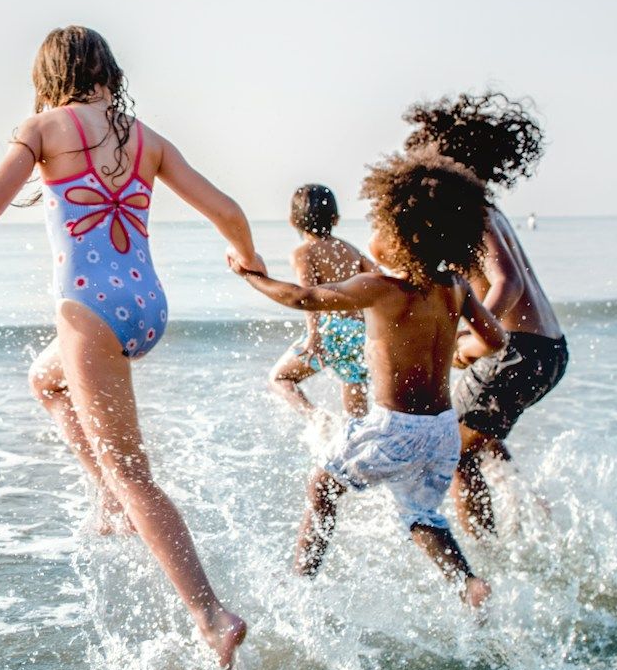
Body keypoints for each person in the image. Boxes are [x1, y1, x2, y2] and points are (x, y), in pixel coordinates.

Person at [0, 26, 252, 670]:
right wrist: (247, 256)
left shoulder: (43, 127)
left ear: (48, 75)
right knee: (47, 382)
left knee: (135, 476)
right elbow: (229, 209)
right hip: (146, 305)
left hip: (88, 311)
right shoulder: (144, 136)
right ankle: (106, 498)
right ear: (108, 70)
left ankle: (210, 614)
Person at [232, 151, 508, 610]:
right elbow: (495, 340)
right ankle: (468, 584)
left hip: (394, 427)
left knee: (323, 487)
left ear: (401, 235)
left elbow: (302, 298)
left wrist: (252, 277)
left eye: (379, 226)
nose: (372, 235)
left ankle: (298, 587)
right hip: (441, 431)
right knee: (420, 515)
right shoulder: (455, 285)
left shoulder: (381, 289)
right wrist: (457, 350)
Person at [401, 91, 568, 536]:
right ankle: (534, 521)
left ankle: (484, 552)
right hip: (547, 350)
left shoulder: (473, 212)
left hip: (517, 351)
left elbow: (507, 282)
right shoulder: (487, 209)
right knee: (482, 440)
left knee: (452, 452)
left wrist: (475, 339)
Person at [267, 184, 375, 418]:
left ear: (292, 221)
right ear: (335, 219)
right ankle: (357, 443)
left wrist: (314, 336)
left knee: (280, 378)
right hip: (358, 332)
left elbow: (309, 296)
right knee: (356, 411)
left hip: (329, 330)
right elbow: (381, 279)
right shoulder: (351, 250)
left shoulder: (303, 252)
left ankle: (317, 418)